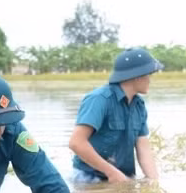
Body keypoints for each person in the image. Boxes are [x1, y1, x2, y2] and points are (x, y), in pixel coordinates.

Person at [69, 47, 162, 184]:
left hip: (122, 177)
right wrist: (111, 172)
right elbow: (76, 143)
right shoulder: (99, 99)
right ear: (137, 76)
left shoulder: (139, 105)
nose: (150, 80)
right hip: (89, 177)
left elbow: (144, 149)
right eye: (148, 75)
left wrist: (154, 183)